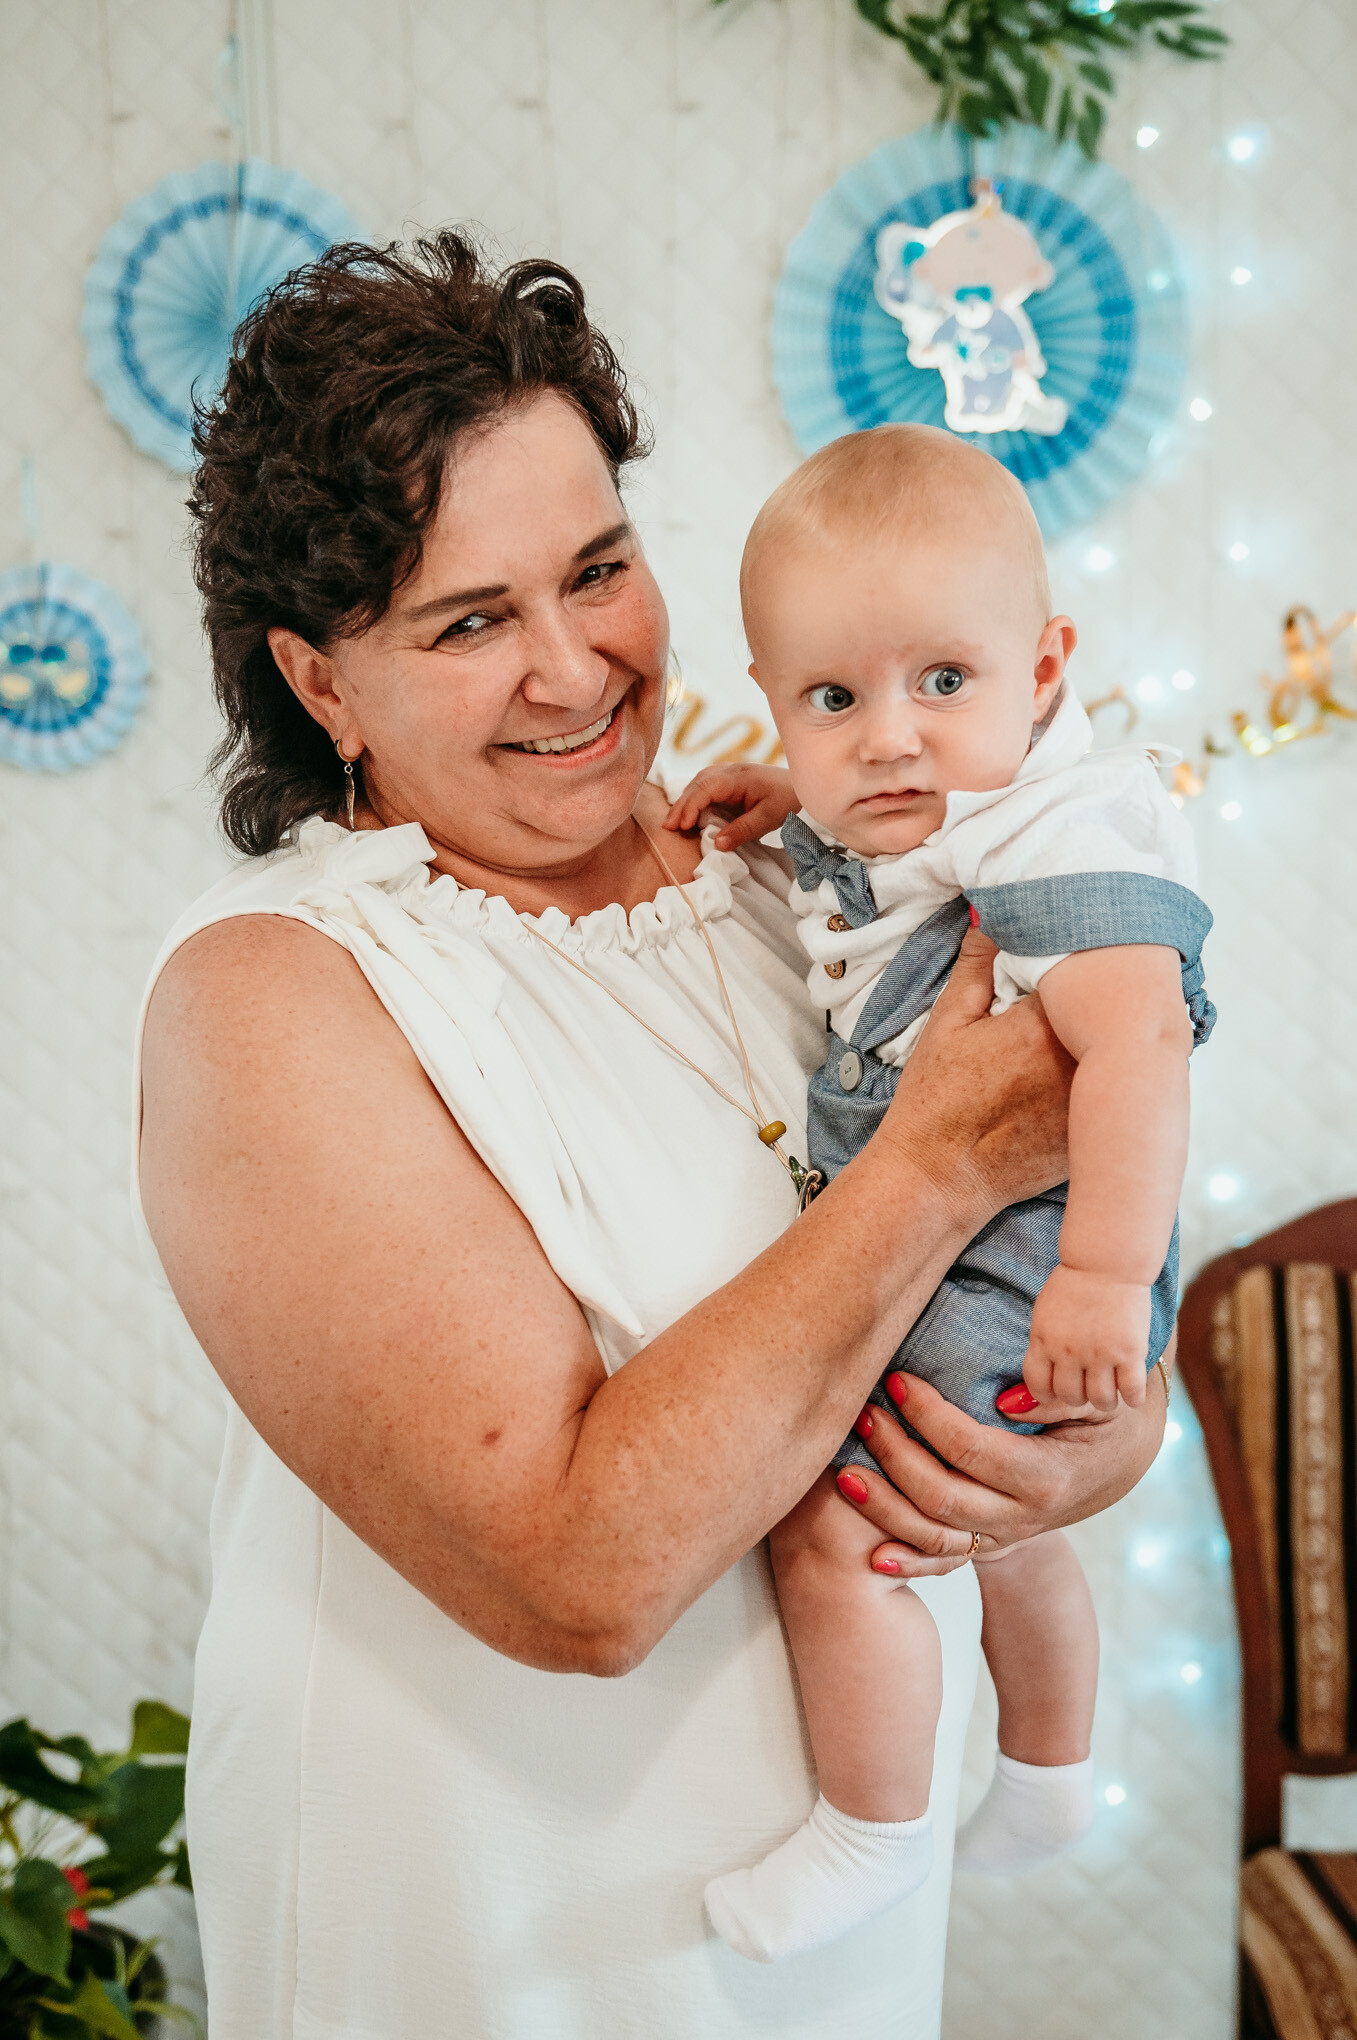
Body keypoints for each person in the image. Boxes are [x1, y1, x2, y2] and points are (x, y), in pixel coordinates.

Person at [136, 232, 1170, 2040]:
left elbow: (1056, 1231)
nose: (574, 669)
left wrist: (1086, 1450)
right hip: (504, 1942)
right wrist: (934, 1163)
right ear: (321, 683)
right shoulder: (278, 993)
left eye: (597, 570)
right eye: (469, 623)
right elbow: (578, 1575)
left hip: (831, 1937)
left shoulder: (799, 882)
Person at [666, 424, 1211, 1965]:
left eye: (942, 682)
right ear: (772, 696)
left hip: (1034, 1253)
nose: (890, 741)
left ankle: (872, 1829)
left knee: (837, 1525)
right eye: (833, 701)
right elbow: (887, 859)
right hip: (986, 1239)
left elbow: (1139, 1050)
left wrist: (1100, 1282)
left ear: (1043, 669)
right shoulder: (944, 805)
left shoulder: (1061, 837)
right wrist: (792, 802)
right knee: (1005, 1529)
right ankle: (1047, 1772)